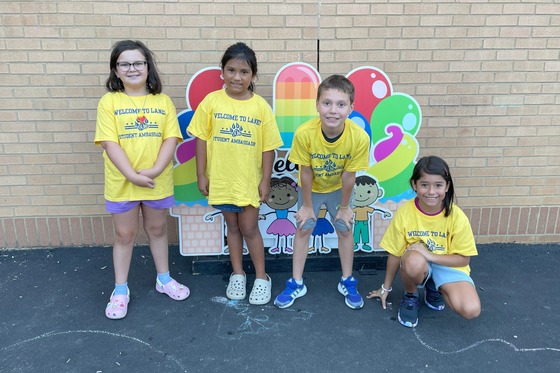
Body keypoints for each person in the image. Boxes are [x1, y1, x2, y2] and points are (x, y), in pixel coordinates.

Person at [95, 40, 189, 320]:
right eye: (124, 63)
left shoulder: (162, 102)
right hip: (122, 182)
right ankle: (120, 290)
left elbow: (171, 138)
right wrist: (132, 175)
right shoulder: (109, 101)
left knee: (158, 229)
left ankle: (164, 279)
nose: (132, 68)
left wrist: (156, 170)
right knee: (125, 235)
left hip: (155, 181)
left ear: (148, 67)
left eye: (138, 63)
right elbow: (109, 143)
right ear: (116, 70)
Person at [188, 42, 283, 305]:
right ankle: (238, 274)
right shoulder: (212, 101)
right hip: (222, 179)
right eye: (231, 70)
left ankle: (262, 277)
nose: (237, 77)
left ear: (253, 75)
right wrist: (201, 175)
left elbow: (268, 148)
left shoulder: (260, 106)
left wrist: (265, 181)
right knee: (232, 227)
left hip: (248, 182)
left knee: (250, 228)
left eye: (244, 71)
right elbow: (201, 140)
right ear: (222, 71)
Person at [274, 74, 370, 310]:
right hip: (313, 190)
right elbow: (304, 173)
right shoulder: (305, 133)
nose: (333, 110)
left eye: (341, 104)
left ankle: (347, 280)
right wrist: (307, 206)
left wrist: (345, 208)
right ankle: (296, 282)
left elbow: (349, 176)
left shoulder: (358, 137)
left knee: (345, 229)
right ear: (317, 105)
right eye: (327, 103)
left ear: (351, 107)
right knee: (304, 229)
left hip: (339, 190)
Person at [367, 156, 481, 327]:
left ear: (447, 186)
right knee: (413, 259)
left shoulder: (457, 216)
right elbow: (395, 253)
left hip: (446, 264)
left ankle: (434, 286)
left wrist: (430, 256)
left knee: (471, 310)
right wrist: (385, 288)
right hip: (417, 264)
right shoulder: (405, 213)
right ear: (415, 185)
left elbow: (464, 259)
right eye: (424, 184)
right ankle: (411, 296)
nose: (431, 191)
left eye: (438, 185)